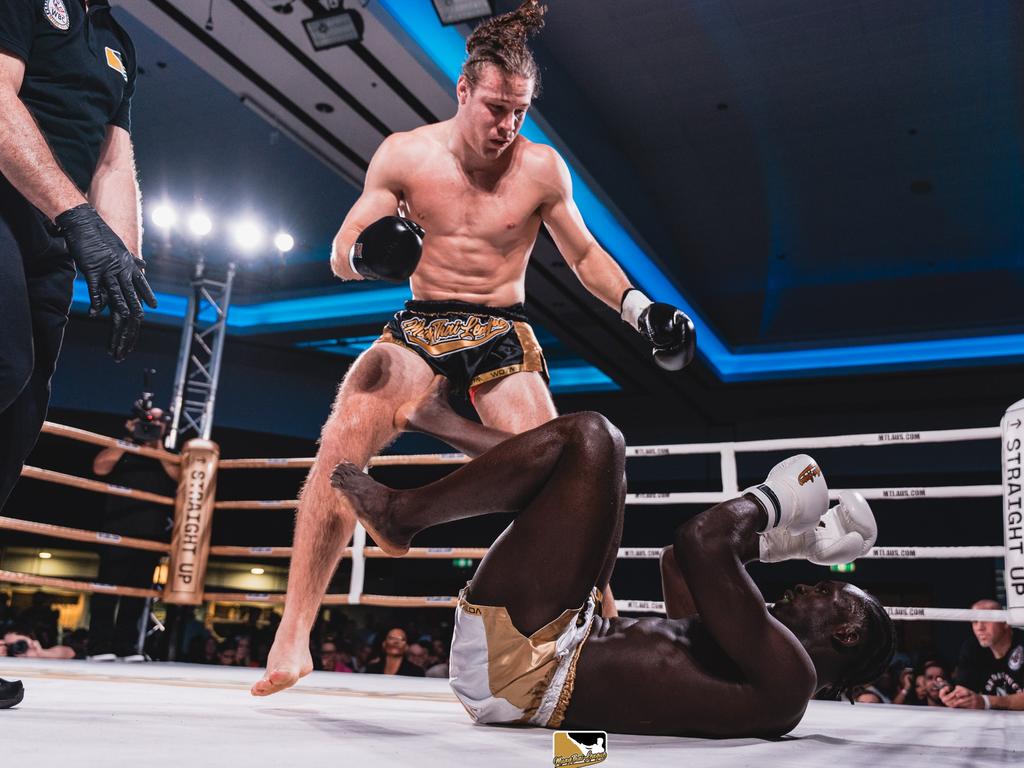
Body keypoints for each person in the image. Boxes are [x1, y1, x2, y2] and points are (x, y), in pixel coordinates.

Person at [252, 0, 694, 697]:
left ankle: (600, 624)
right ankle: (293, 634)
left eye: (519, 110)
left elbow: (585, 257)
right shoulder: (405, 154)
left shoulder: (543, 169)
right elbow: (341, 250)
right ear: (463, 91)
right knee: (341, 439)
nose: (507, 125)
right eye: (495, 107)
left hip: (499, 328)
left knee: (570, 470)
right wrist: (372, 255)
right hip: (421, 323)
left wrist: (640, 310)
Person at [330, 411, 893, 736]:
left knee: (593, 438)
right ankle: (438, 425)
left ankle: (403, 515)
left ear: (845, 633)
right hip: (552, 651)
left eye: (824, 590)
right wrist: (789, 542)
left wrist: (773, 500)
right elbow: (679, 564)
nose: (802, 587)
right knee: (608, 468)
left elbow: (701, 539)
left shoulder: (788, 681)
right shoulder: (752, 669)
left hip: (528, 671)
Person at [0, 0, 156, 515]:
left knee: (20, 416)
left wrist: (125, 264)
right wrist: (79, 217)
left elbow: (112, 162)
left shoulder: (118, 40)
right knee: (4, 363)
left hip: (51, 240)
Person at [87, 406, 177, 661]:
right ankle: (98, 646)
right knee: (107, 590)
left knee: (137, 593)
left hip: (151, 533)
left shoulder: (169, 456)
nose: (150, 425)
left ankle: (126, 647)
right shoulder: (123, 450)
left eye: (157, 422)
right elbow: (100, 468)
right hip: (116, 529)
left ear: (166, 427)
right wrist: (129, 439)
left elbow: (180, 476)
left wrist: (156, 444)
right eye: (147, 421)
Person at [940, 599, 1024, 711]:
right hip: (992, 724)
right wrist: (954, 696)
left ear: (1005, 623)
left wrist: (986, 701)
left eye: (987, 620)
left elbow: (982, 702)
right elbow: (964, 689)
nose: (980, 628)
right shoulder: (972, 648)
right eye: (975, 622)